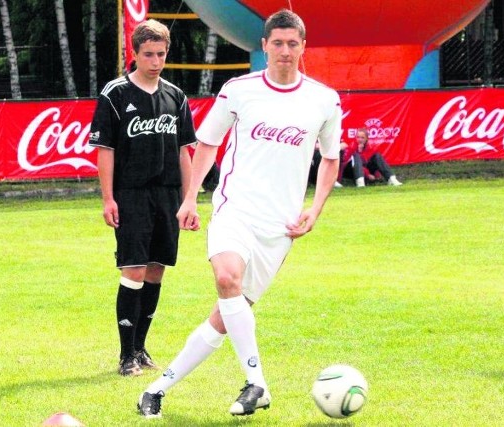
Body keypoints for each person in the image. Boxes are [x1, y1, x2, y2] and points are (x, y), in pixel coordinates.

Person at [137, 8, 342, 419]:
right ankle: (257, 383)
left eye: (292, 43)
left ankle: (157, 389)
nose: (285, 51)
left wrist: (314, 210)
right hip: (235, 211)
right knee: (226, 277)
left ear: (304, 47)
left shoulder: (324, 99)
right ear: (264, 47)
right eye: (277, 43)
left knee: (225, 317)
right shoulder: (238, 90)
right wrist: (190, 197)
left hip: (280, 228)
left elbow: (331, 159)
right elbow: (207, 144)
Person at [88, 19, 196, 377]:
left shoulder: (176, 96)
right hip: (131, 194)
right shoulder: (116, 94)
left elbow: (184, 151)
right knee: (132, 268)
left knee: (155, 271)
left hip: (168, 195)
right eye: (148, 54)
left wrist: (189, 199)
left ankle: (141, 346)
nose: (155, 61)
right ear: (134, 54)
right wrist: (108, 198)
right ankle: (125, 355)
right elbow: (105, 150)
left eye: (161, 54)